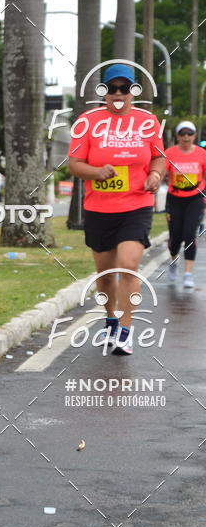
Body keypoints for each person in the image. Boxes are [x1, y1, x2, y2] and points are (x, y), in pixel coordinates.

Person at [68, 63, 165, 356]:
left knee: (128, 264)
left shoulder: (147, 122)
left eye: (125, 88)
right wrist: (97, 172)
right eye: (112, 88)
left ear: (134, 91)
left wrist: (155, 176)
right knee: (106, 274)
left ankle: (125, 331)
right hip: (99, 207)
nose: (118, 94)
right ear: (104, 92)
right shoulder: (88, 121)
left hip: (136, 204)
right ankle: (110, 318)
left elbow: (158, 158)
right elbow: (74, 164)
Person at [164, 120, 206, 288]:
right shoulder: (169, 153)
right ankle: (173, 262)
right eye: (182, 133)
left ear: (194, 136)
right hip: (174, 199)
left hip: (195, 199)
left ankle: (188, 273)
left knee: (189, 234)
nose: (186, 137)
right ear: (177, 136)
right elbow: (159, 173)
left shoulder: (202, 154)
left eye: (189, 133)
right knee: (175, 236)